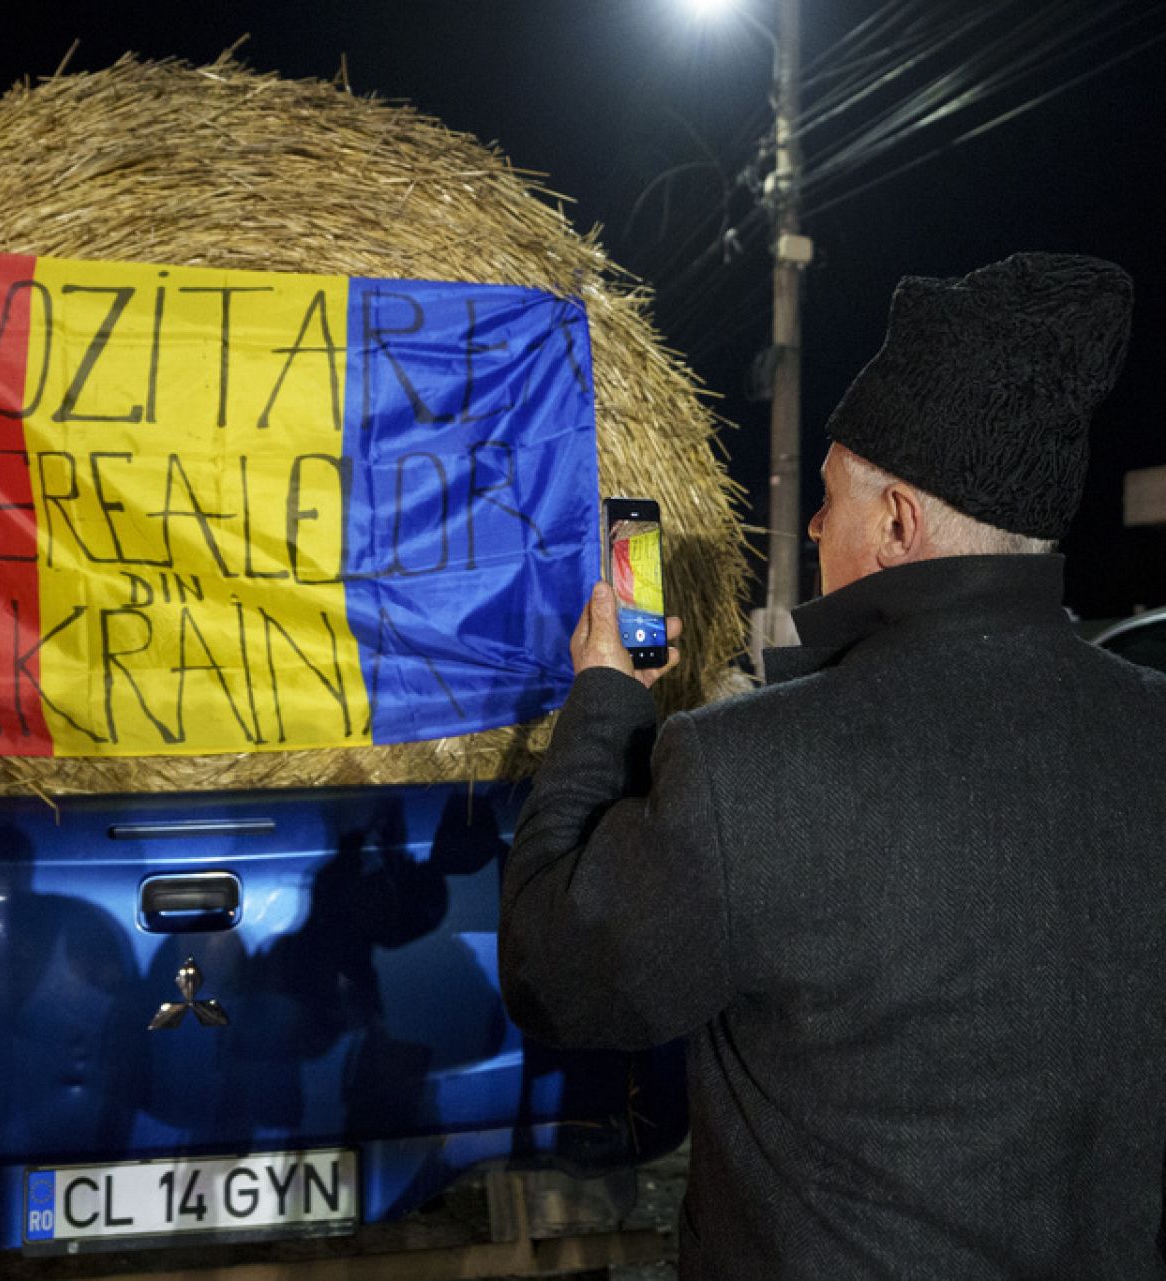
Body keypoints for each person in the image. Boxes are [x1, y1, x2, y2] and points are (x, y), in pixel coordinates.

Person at [499, 253, 1166, 1277]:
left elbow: (560, 975)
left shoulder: (748, 770)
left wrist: (605, 696)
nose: (812, 527)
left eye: (828, 497)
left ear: (897, 522)